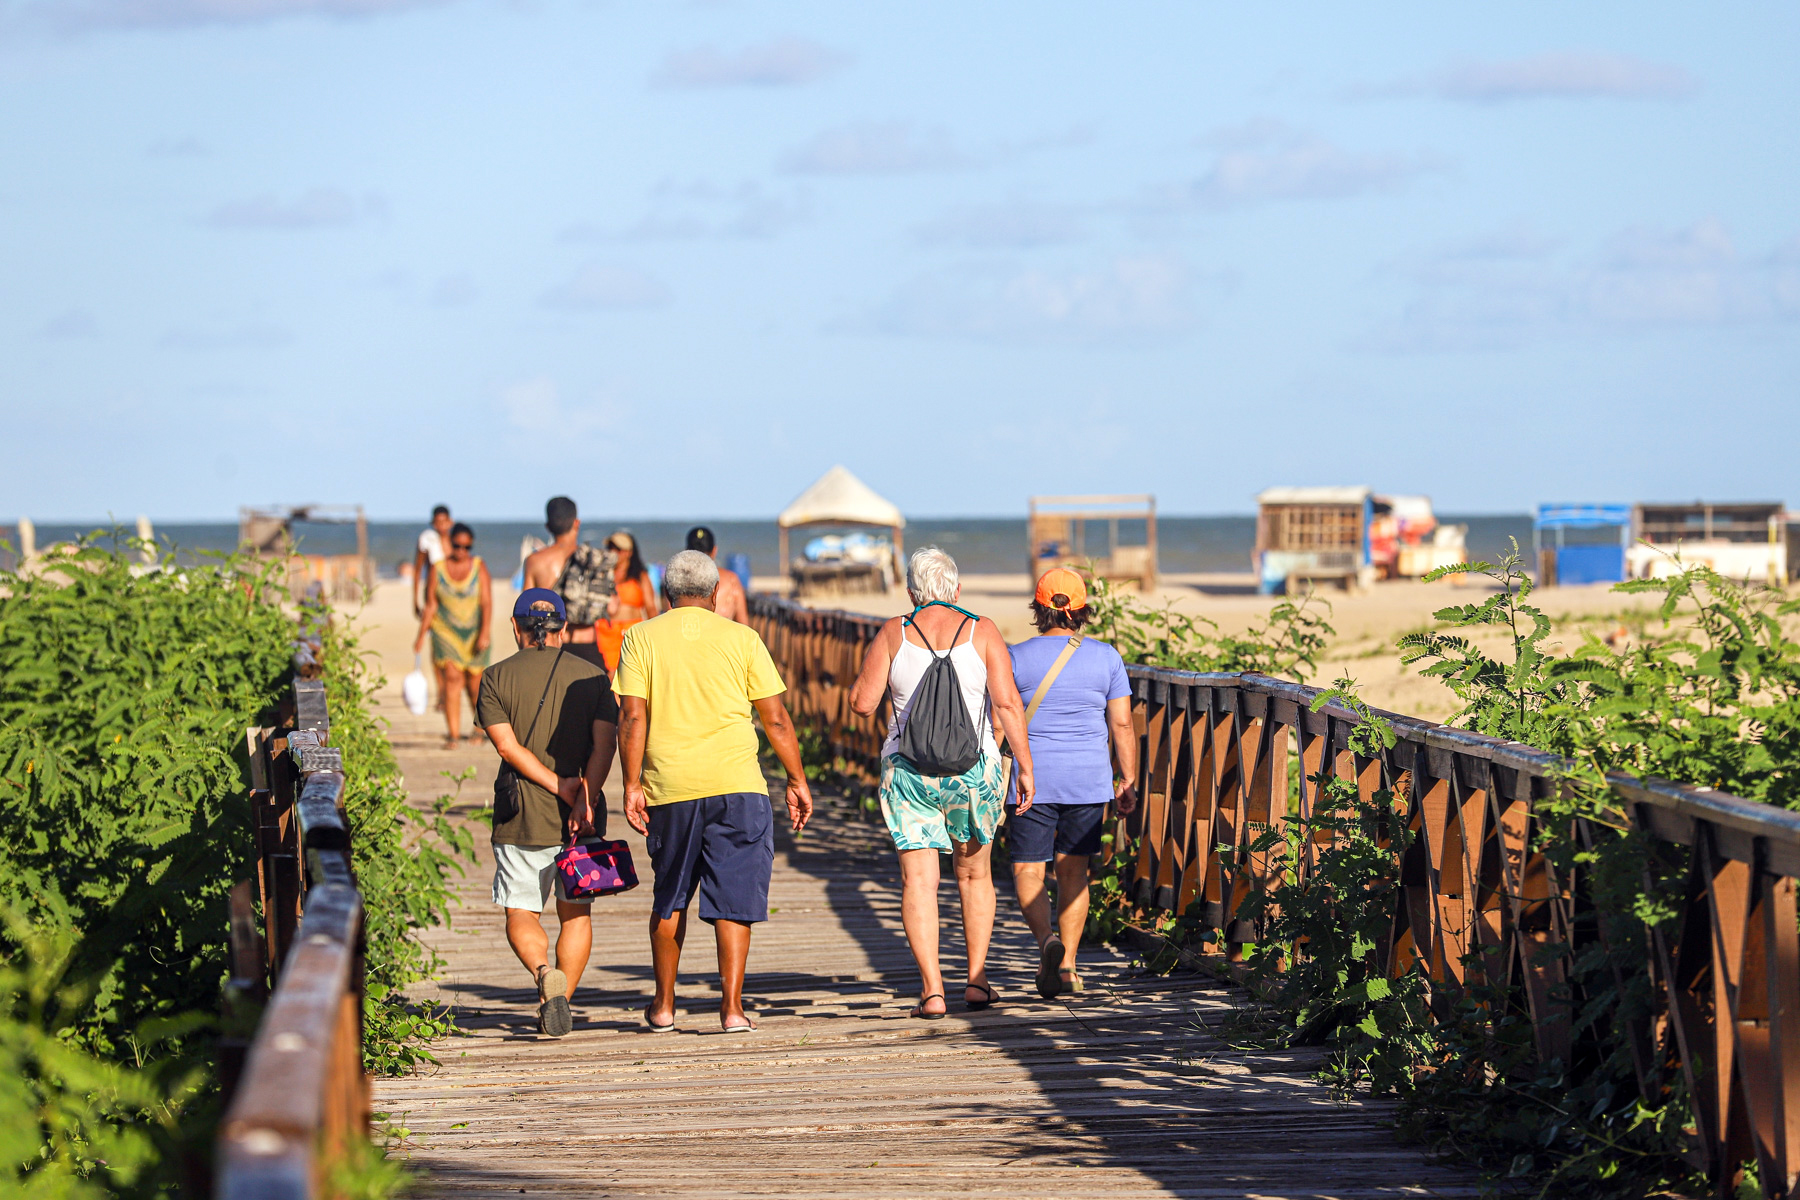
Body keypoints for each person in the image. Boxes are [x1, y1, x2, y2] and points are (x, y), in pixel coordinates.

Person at [616, 550, 813, 1034]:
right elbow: (776, 719)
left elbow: (632, 716)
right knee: (734, 897)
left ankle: (663, 1006)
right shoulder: (743, 638)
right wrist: (797, 779)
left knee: (671, 895)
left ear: (666, 593)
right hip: (738, 785)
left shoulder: (640, 637)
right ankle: (731, 1008)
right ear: (717, 593)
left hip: (671, 787)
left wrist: (631, 783)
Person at [848, 547, 1034, 1019]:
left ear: (912, 592)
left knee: (919, 881)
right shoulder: (982, 629)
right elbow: (1008, 705)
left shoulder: (895, 630)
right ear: (955, 588)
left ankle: (932, 991)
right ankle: (976, 981)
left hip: (908, 773)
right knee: (975, 876)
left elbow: (863, 704)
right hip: (972, 773)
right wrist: (1027, 768)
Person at [476, 589, 619, 1038]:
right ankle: (557, 1000)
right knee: (576, 914)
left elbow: (506, 746)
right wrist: (583, 795)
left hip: (521, 814)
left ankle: (542, 973)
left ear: (516, 627)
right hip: (584, 818)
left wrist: (556, 786)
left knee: (521, 912)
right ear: (562, 627)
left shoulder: (495, 677)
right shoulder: (594, 677)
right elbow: (605, 745)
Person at [1006, 568, 1138, 999]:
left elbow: (999, 720)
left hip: (1031, 779)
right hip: (1088, 780)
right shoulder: (1107, 658)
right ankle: (1068, 968)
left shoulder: (1015, 657)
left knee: (1029, 868)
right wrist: (1129, 778)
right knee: (1074, 871)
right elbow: (1120, 723)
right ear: (1081, 610)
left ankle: (1046, 939)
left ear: (1039, 608)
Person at [413, 522, 492, 746]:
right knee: (452, 679)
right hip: (445, 631)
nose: (461, 552)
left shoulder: (479, 566)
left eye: (466, 547)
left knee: (475, 684)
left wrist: (485, 632)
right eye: (456, 546)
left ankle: (479, 730)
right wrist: (420, 636)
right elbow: (431, 605)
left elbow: (486, 602)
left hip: (475, 631)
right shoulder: (438, 568)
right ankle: (454, 734)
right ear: (450, 545)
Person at [522, 497, 614, 668]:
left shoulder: (534, 561)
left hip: (551, 645)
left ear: (548, 526)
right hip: (588, 646)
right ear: (576, 523)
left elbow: (525, 609)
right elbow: (613, 607)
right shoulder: (594, 559)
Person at [594, 530, 659, 674]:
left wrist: (657, 634)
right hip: (606, 631)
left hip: (631, 630)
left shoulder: (640, 576)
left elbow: (650, 607)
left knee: (630, 673)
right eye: (611, 548)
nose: (613, 552)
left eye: (618, 549)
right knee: (607, 675)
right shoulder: (603, 574)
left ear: (628, 552)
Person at [685, 526, 748, 624]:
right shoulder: (731, 580)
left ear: (686, 551)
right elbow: (744, 624)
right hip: (722, 637)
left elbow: (670, 617)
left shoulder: (678, 579)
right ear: (714, 550)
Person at [413, 505, 452, 617]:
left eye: (444, 522)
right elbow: (418, 570)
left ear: (450, 521)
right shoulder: (428, 540)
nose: (441, 526)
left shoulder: (456, 541)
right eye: (438, 522)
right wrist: (415, 601)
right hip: (433, 592)